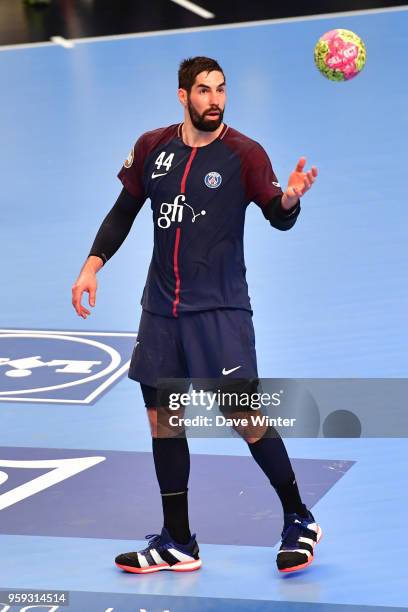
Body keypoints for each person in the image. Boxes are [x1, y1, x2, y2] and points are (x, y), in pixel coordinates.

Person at [72, 56, 322, 575]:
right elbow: (124, 210)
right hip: (161, 310)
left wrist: (291, 198)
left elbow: (277, 216)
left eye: (221, 90)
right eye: (204, 91)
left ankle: (299, 519)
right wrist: (91, 266)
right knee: (165, 422)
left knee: (245, 418)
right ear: (183, 96)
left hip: (220, 310)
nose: (215, 100)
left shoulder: (244, 154)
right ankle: (178, 541)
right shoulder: (152, 147)